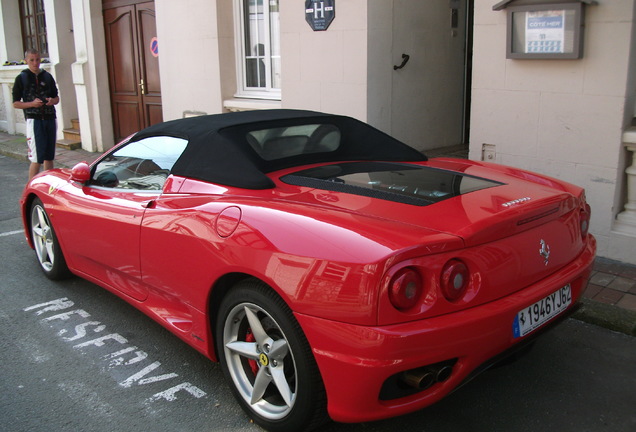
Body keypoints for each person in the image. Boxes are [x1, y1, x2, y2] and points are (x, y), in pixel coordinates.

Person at [12, 49, 60, 180]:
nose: (35, 63)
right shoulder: (22, 78)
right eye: (32, 60)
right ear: (26, 61)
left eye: (37, 59)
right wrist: (32, 104)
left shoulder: (47, 76)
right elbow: (15, 103)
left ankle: (47, 184)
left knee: (49, 156)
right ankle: (31, 188)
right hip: (34, 120)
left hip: (50, 118)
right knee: (37, 158)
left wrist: (52, 101)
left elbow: (56, 98)